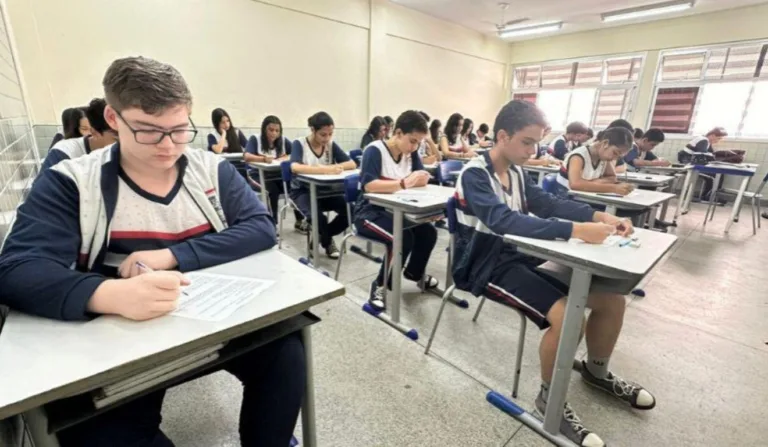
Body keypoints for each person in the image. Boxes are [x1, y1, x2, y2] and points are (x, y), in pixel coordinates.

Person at [0, 56, 303, 447]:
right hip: (120, 342)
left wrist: (174, 255)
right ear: (113, 117)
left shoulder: (208, 170)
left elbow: (260, 229)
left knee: (285, 350)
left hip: (206, 322)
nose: (168, 146)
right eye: (148, 131)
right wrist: (107, 293)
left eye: (179, 130)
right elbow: (16, 269)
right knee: (101, 430)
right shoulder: (74, 182)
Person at [453, 99, 654, 447]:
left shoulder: (516, 171)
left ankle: (596, 371)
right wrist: (574, 231)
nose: (534, 151)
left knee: (611, 300)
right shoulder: (475, 174)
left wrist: (597, 217)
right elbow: (502, 221)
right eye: (527, 142)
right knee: (567, 317)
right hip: (485, 265)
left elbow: (548, 203)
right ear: (502, 136)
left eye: (537, 143)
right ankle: (550, 399)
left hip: (521, 258)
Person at [355, 111, 439, 310]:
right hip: (369, 212)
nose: (415, 147)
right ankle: (380, 285)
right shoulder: (374, 150)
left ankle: (413, 274)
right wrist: (403, 183)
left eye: (419, 142)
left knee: (428, 232)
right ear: (398, 133)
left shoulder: (410, 154)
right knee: (402, 238)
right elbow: (368, 185)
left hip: (398, 211)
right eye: (412, 141)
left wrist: (421, 183)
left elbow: (419, 179)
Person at [290, 111, 356, 259]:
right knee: (318, 218)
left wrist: (338, 168)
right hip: (302, 191)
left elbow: (351, 163)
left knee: (351, 210)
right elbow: (295, 167)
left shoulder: (330, 145)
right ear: (313, 130)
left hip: (326, 191)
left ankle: (322, 237)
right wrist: (325, 169)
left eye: (330, 134)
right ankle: (328, 241)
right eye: (323, 134)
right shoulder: (299, 143)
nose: (327, 138)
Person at [245, 115, 298, 226]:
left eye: (277, 131)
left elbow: (296, 153)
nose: (274, 133)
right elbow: (246, 156)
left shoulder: (283, 140)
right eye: (271, 130)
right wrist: (263, 159)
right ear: (264, 129)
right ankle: (272, 224)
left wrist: (286, 157)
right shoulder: (255, 139)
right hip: (257, 175)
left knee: (295, 185)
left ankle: (300, 221)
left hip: (277, 174)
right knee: (272, 190)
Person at [555, 127, 636, 198]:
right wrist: (614, 188)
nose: (614, 159)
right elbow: (575, 184)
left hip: (584, 197)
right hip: (565, 197)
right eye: (615, 153)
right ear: (605, 143)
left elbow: (612, 178)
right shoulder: (578, 156)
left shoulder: (603, 157)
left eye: (618, 157)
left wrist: (591, 183)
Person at [41, 98, 118, 171]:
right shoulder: (63, 153)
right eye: (116, 139)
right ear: (94, 133)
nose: (125, 143)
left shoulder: (118, 154)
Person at [680, 127, 728, 204]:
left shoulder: (706, 142)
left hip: (691, 163)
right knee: (718, 173)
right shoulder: (703, 140)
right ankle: (709, 196)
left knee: (717, 173)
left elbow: (711, 156)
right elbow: (703, 154)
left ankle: (707, 195)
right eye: (718, 138)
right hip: (689, 164)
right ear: (712, 135)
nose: (718, 141)